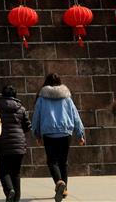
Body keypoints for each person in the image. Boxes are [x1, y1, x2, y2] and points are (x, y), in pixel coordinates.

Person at [30, 74, 85, 202]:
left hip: (49, 133)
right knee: (63, 161)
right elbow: (75, 116)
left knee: (52, 161)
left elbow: (36, 117)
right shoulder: (67, 98)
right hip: (66, 133)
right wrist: (80, 134)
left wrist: (36, 134)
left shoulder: (42, 98)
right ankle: (64, 189)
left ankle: (59, 182)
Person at [0, 85, 32, 202]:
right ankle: (16, 199)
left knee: (3, 171)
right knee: (16, 173)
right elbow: (27, 126)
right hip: (19, 144)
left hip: (2, 143)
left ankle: (9, 190)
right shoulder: (21, 108)